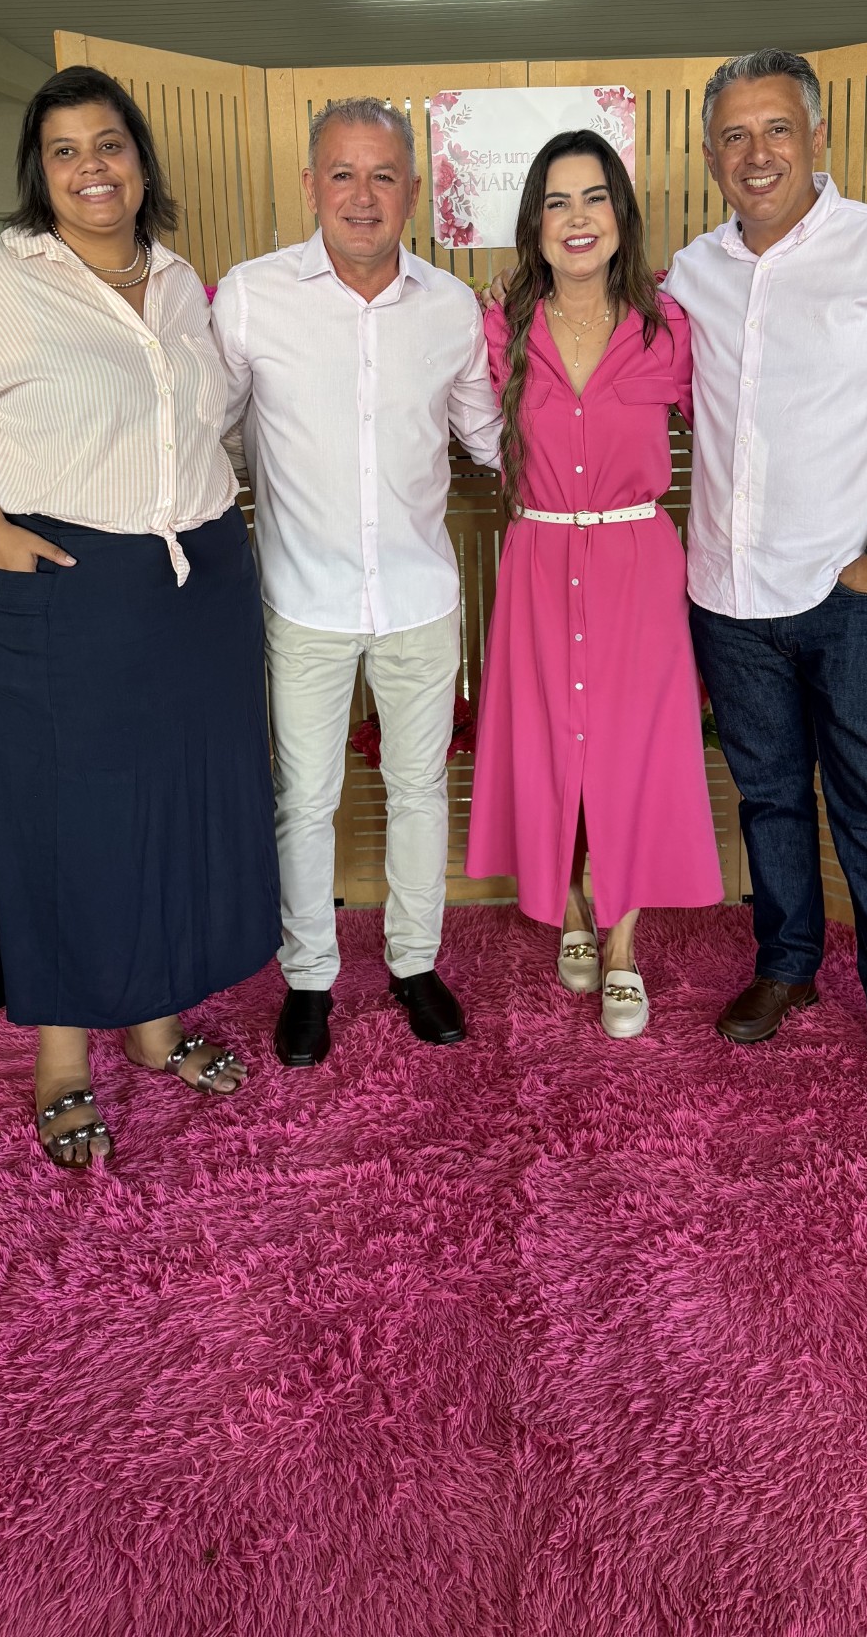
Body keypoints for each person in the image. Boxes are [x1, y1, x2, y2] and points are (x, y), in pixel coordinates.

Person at [0, 65, 279, 1167]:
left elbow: (211, 428)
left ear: (142, 160)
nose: (91, 167)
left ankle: (153, 1027)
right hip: (60, 585)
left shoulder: (185, 284)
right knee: (66, 815)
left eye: (109, 144)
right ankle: (62, 1059)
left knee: (171, 806)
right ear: (39, 175)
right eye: (65, 151)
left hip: (194, 588)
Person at [665, 48, 867, 1110]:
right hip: (727, 592)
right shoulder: (690, 270)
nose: (755, 155)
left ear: (816, 139)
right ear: (711, 153)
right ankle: (787, 966)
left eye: (776, 131)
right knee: (767, 800)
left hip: (851, 598)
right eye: (733, 136)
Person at [214, 97, 501, 1068]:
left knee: (421, 789)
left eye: (384, 175)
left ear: (414, 191)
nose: (363, 196)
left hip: (421, 598)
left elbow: (491, 438)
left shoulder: (452, 306)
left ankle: (416, 963)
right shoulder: (251, 298)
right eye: (343, 173)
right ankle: (309, 979)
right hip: (303, 600)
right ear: (311, 186)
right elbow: (202, 437)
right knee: (306, 798)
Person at [466, 131, 724, 1037]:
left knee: (632, 750)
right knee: (554, 746)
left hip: (637, 564)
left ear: (622, 215)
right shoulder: (500, 327)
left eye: (595, 199)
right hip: (538, 561)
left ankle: (621, 945)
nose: (578, 219)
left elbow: (739, 432)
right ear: (535, 224)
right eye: (557, 203)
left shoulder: (670, 329)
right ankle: (572, 906)